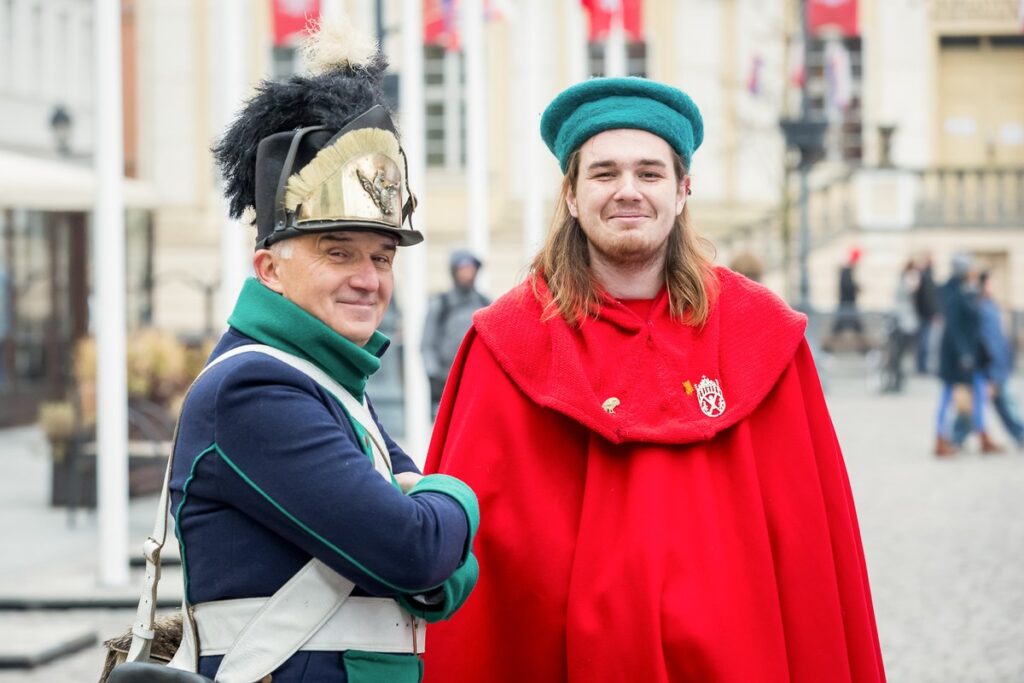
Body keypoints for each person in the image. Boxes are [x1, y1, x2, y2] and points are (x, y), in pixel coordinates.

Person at [423, 77, 884, 682]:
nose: (627, 191)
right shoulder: (506, 342)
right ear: (570, 193)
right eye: (604, 173)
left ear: (682, 189)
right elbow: (482, 571)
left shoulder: (761, 335)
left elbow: (809, 554)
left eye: (649, 172)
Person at [163, 21, 479, 683]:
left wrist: (427, 532)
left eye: (381, 256)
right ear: (269, 269)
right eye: (338, 252)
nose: (368, 276)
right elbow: (418, 548)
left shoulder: (330, 383)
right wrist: (460, 496)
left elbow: (442, 579)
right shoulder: (254, 390)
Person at [934, 253, 997, 455]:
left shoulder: (968, 289)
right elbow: (954, 326)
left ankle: (982, 435)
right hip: (956, 356)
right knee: (947, 397)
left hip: (971, 353)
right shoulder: (951, 291)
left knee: (978, 394)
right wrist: (963, 353)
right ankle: (940, 439)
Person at [952, 272, 1023, 449]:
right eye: (992, 283)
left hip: (996, 366)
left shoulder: (991, 306)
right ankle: (957, 437)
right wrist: (992, 367)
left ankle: (958, 437)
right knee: (977, 404)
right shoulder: (980, 307)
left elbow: (999, 339)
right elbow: (987, 340)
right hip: (988, 366)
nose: (995, 287)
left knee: (998, 404)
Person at [421, 249, 489, 414]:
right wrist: (434, 376)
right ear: (454, 272)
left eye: (471, 269)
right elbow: (427, 344)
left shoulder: (484, 303)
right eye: (463, 269)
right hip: (445, 379)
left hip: (476, 380)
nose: (467, 274)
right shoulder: (441, 303)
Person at [883, 259, 919, 392]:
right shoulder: (907, 281)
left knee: (899, 355)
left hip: (902, 322)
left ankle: (897, 380)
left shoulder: (902, 280)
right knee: (898, 354)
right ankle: (896, 380)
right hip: (903, 323)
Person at [913, 252, 939, 374]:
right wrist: (933, 312)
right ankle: (921, 367)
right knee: (924, 342)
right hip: (925, 315)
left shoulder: (925, 276)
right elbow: (928, 298)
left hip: (924, 314)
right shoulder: (925, 276)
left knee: (925, 342)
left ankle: (922, 366)